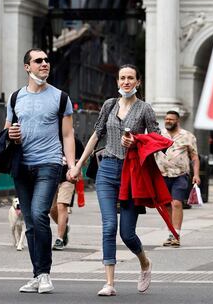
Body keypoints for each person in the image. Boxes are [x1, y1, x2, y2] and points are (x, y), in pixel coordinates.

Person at [69, 64, 158, 297]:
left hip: (132, 173)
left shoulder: (145, 108)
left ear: (138, 82)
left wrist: (137, 141)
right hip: (106, 169)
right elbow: (97, 134)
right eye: (122, 78)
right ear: (117, 82)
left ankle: (144, 262)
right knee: (109, 226)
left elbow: (156, 139)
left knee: (127, 234)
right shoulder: (109, 105)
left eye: (130, 78)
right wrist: (79, 164)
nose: (126, 82)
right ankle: (109, 282)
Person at [7, 48, 76, 294]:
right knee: (31, 224)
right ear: (27, 67)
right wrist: (12, 135)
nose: (44, 63)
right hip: (22, 166)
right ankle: (36, 275)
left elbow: (68, 134)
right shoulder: (16, 98)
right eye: (38, 61)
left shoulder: (60, 97)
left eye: (47, 60)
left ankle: (45, 273)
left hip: (49, 163)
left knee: (38, 214)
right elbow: (8, 130)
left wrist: (72, 164)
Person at [155, 110, 200, 247]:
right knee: (166, 205)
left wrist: (196, 175)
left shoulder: (188, 136)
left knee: (177, 203)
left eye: (171, 119)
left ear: (177, 121)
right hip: (162, 174)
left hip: (180, 175)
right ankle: (171, 233)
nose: (168, 121)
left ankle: (176, 235)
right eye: (167, 119)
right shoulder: (159, 135)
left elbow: (194, 157)